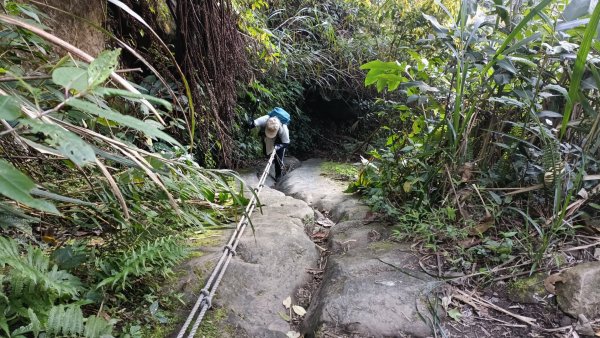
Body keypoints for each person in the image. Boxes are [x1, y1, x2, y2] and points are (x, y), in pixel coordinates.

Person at [247, 108, 290, 181]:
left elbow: (286, 143)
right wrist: (250, 125)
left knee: (279, 156)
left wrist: (279, 146)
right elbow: (254, 123)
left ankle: (278, 175)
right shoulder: (265, 119)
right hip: (266, 136)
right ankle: (270, 157)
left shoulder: (284, 129)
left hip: (280, 140)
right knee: (266, 151)